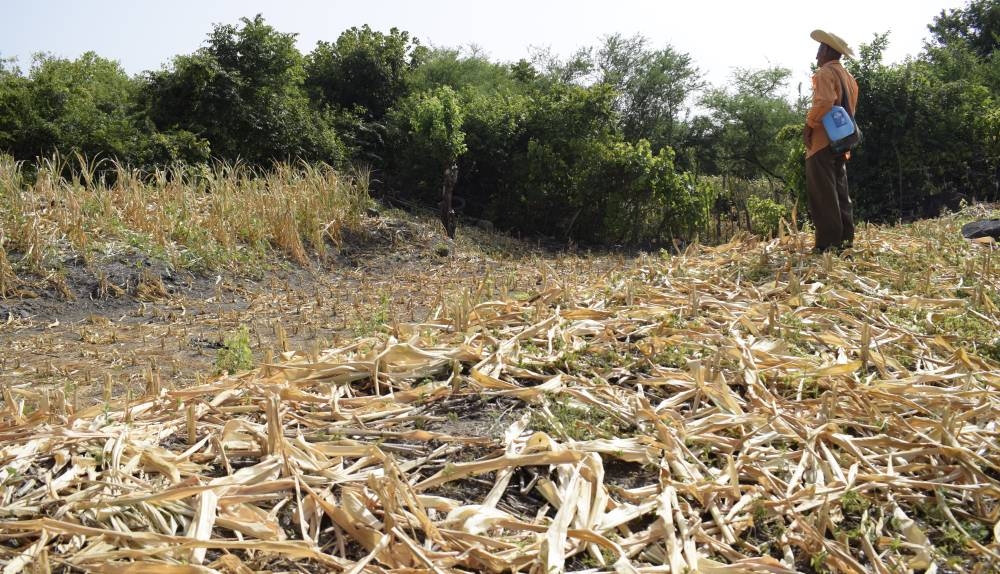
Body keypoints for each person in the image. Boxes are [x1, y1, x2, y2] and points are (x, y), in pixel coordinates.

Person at [803, 29, 859, 254]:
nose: (817, 56)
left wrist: (809, 125)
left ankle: (828, 244)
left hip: (823, 142)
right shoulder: (849, 78)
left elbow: (825, 101)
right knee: (840, 190)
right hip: (842, 141)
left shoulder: (825, 73)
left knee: (823, 193)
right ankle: (845, 239)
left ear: (827, 50)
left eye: (819, 50)